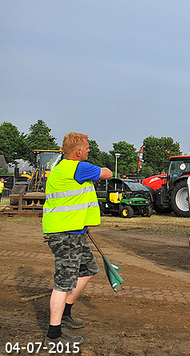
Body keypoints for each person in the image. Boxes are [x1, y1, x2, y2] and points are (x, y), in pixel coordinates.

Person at [42, 132, 112, 345]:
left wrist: (83, 224)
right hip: (65, 235)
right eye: (87, 147)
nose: (89, 150)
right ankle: (53, 334)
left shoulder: (62, 168)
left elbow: (73, 200)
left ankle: (65, 312)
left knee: (89, 270)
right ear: (78, 151)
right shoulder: (79, 168)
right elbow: (107, 173)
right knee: (63, 283)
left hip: (74, 231)